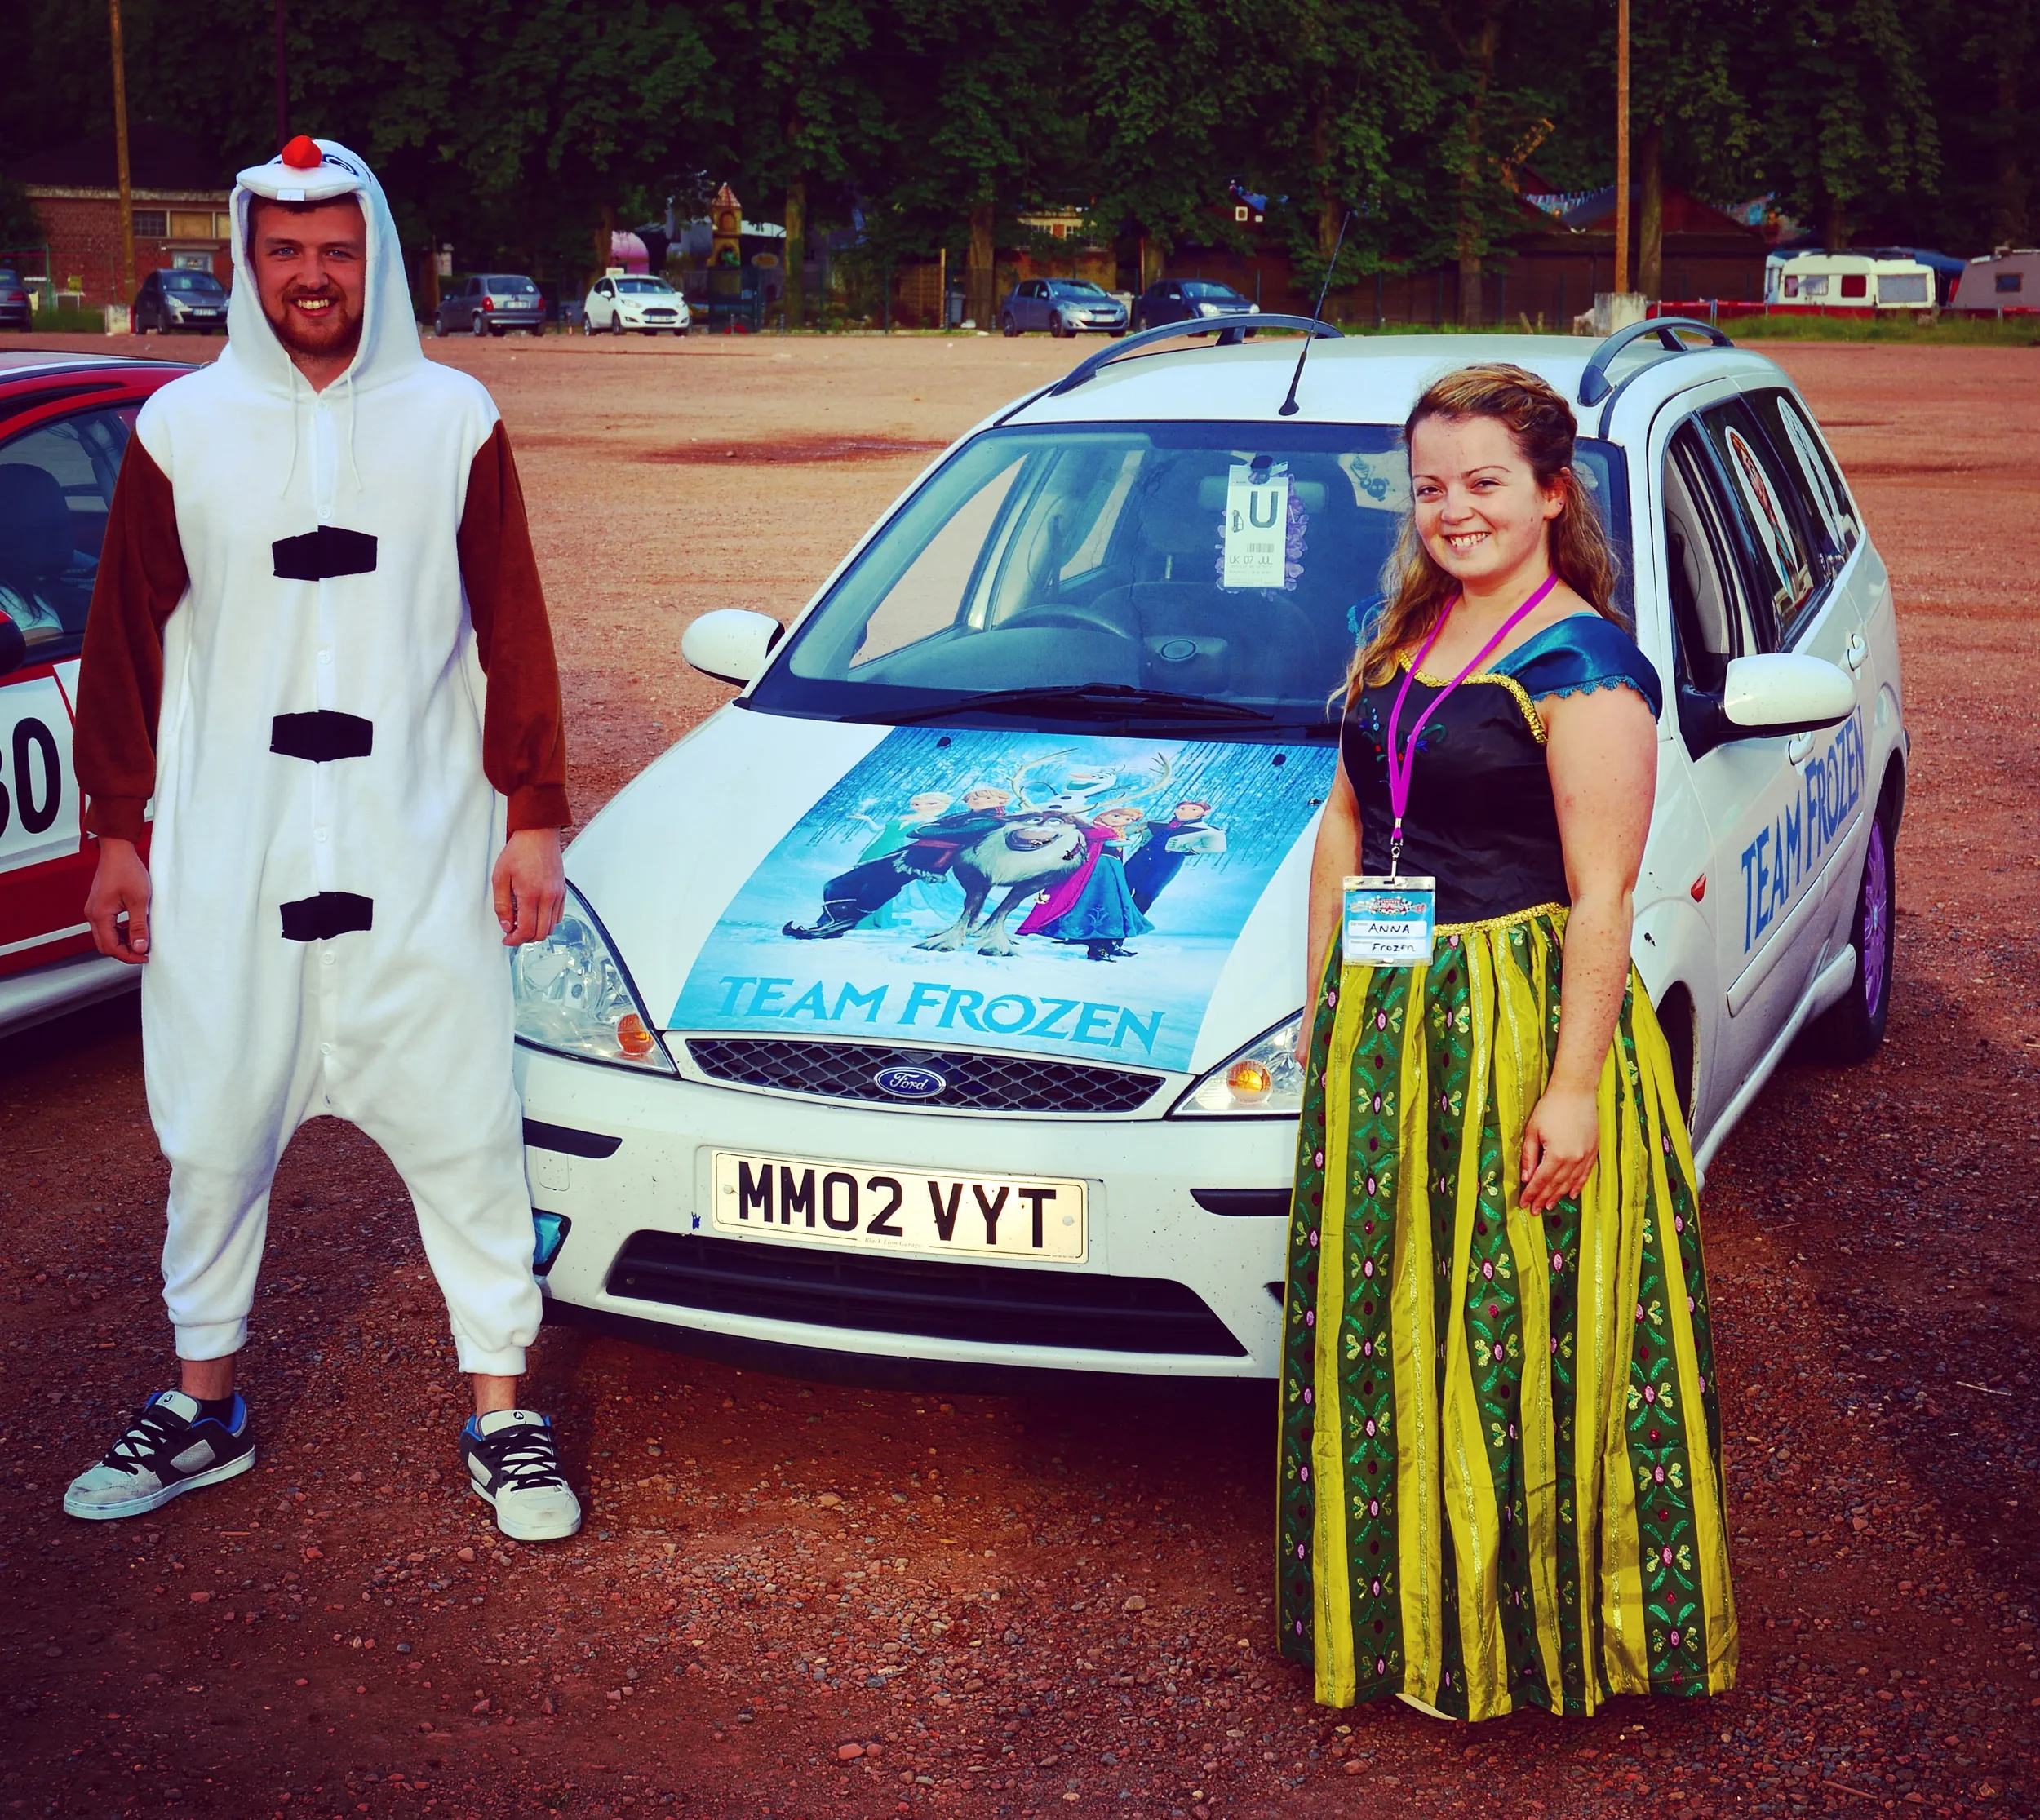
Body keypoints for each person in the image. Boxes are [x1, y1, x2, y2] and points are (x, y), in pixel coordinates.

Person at [62, 136, 583, 1543]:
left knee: (468, 1129)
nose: (312, 274)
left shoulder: (454, 418)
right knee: (214, 1129)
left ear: (376, 260)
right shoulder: (182, 427)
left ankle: (502, 1412)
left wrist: (533, 814)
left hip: (419, 849)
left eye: (336, 251)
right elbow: (123, 643)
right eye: (286, 250)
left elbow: (513, 626)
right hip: (233, 856)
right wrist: (118, 834)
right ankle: (205, 1406)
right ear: (248, 260)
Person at [1277, 364, 1736, 1720]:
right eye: (1431, 486)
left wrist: (1575, 1085)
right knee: (1389, 1312)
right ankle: (1397, 1615)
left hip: (1518, 1012)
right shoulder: (1401, 631)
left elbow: (1603, 894)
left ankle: (1528, 1638)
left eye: (1484, 481)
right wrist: (1326, 1002)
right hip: (1391, 1017)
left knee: (1510, 1319)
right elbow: (1347, 822)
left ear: (1549, 492)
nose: (1453, 510)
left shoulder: (1583, 665)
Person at [785, 784, 1014, 937]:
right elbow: (928, 830)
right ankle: (832, 924)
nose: (976, 800)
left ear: (1002, 800)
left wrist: (928, 830)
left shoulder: (993, 821)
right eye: (973, 797)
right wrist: (928, 830)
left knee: (864, 886)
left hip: (923, 861)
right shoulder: (964, 816)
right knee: (844, 885)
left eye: (985, 797)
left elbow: (937, 832)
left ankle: (836, 924)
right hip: (908, 855)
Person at [1018, 803, 1153, 960]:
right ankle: (1096, 948)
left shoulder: (1115, 832)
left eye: (1129, 819)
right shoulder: (1094, 829)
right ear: (1103, 815)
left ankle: (1111, 944)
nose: (1121, 820)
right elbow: (1106, 842)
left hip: (1112, 871)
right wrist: (1122, 841)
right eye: (1116, 816)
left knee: (1113, 906)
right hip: (1095, 871)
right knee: (1097, 904)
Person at [1123, 798, 1226, 914]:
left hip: (1168, 861)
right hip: (1141, 856)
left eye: (1194, 809)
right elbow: (1128, 831)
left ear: (1204, 813)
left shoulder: (1207, 830)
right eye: (1182, 808)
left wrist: (1190, 850)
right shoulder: (1154, 823)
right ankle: (1113, 915)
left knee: (1148, 889)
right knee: (1124, 883)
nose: (1186, 811)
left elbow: (1218, 847)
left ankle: (1132, 919)